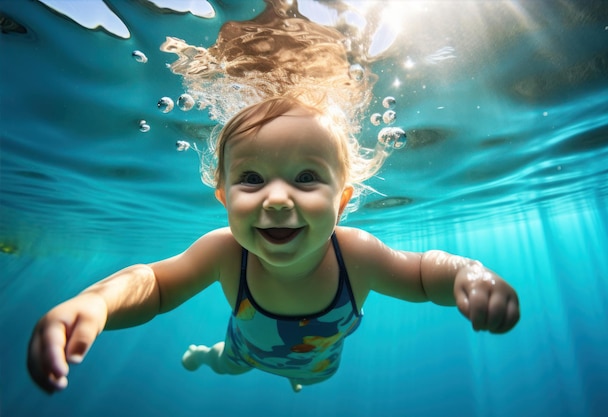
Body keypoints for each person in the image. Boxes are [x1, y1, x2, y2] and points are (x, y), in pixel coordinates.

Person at [27, 95, 520, 394]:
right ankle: (205, 354)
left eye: (306, 177)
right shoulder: (225, 253)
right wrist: (98, 302)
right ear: (223, 197)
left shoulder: (358, 255)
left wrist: (465, 272)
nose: (278, 198)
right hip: (243, 353)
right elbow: (153, 284)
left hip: (323, 363)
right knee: (225, 365)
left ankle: (295, 377)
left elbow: (419, 273)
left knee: (311, 377)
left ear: (342, 201)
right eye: (252, 178)